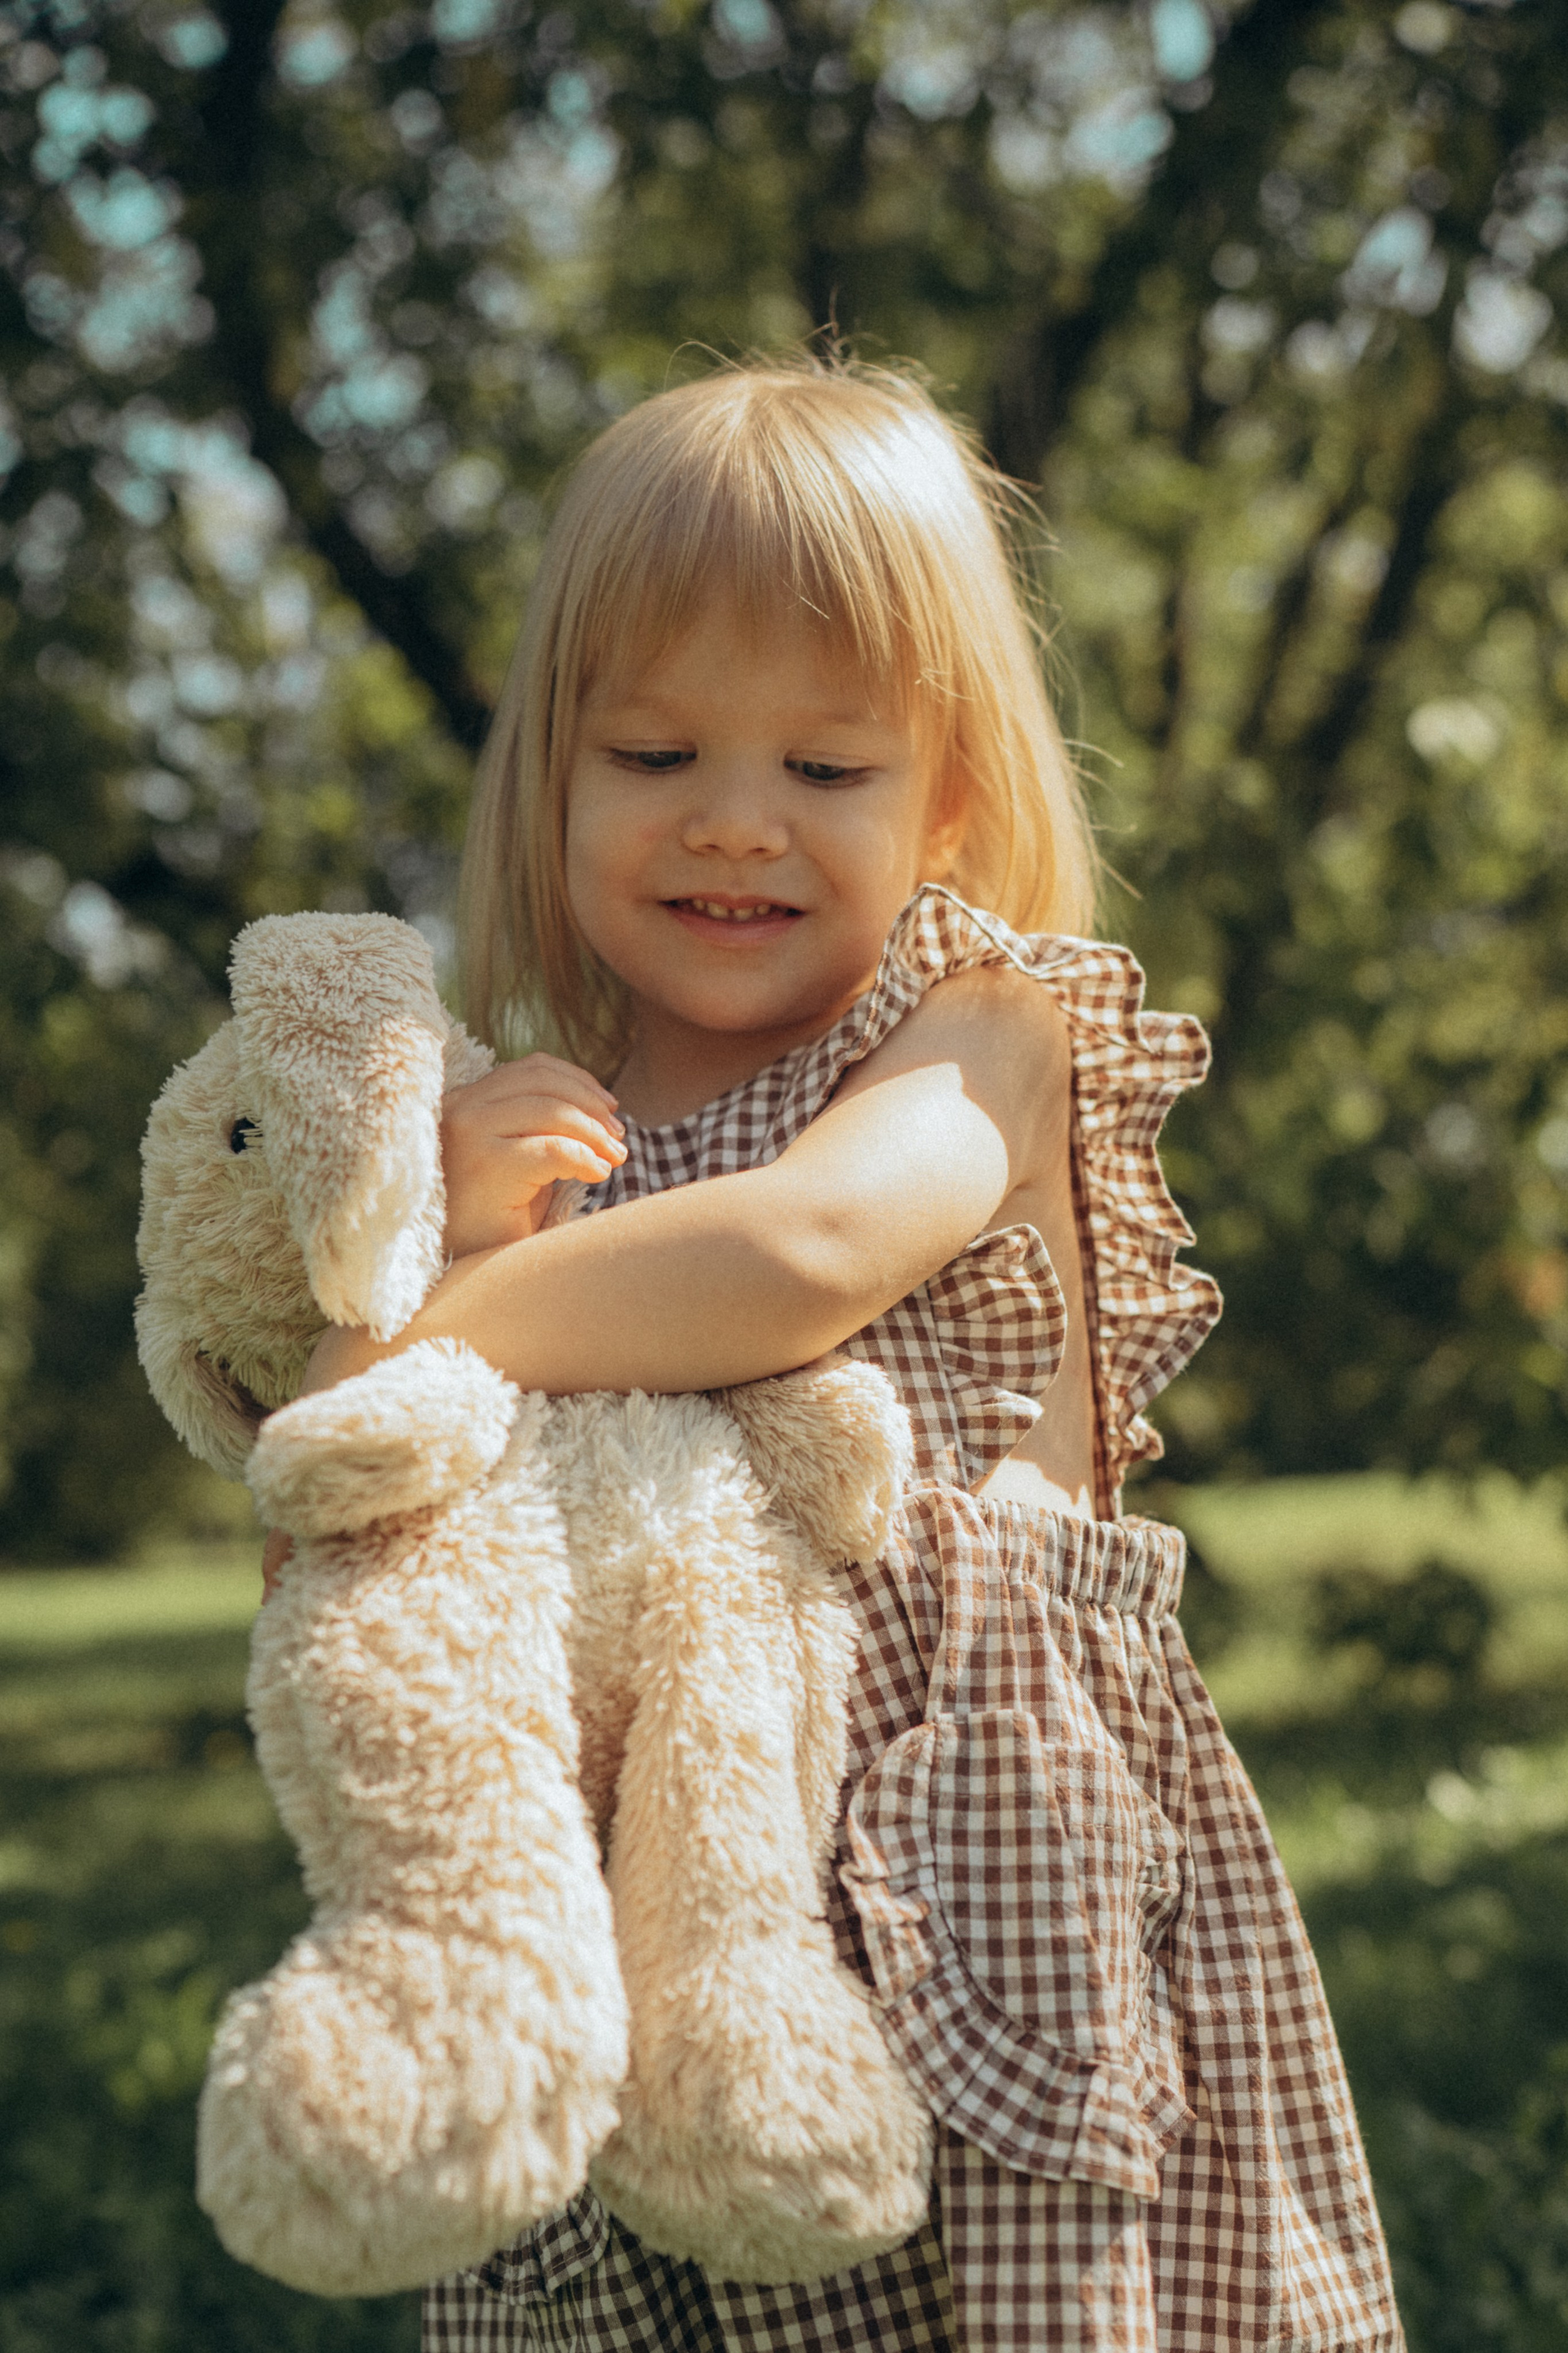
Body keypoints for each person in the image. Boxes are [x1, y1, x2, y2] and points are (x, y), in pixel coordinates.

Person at [298, 358, 1404, 2352]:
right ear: (551, 771)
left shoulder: (980, 1031)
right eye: (654, 753)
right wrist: (441, 1228)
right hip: (638, 1879)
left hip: (960, 1883)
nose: (738, 821)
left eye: (826, 769)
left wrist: (420, 1332)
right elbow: (396, 1514)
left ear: (950, 795)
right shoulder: (543, 1117)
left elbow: (795, 1256)